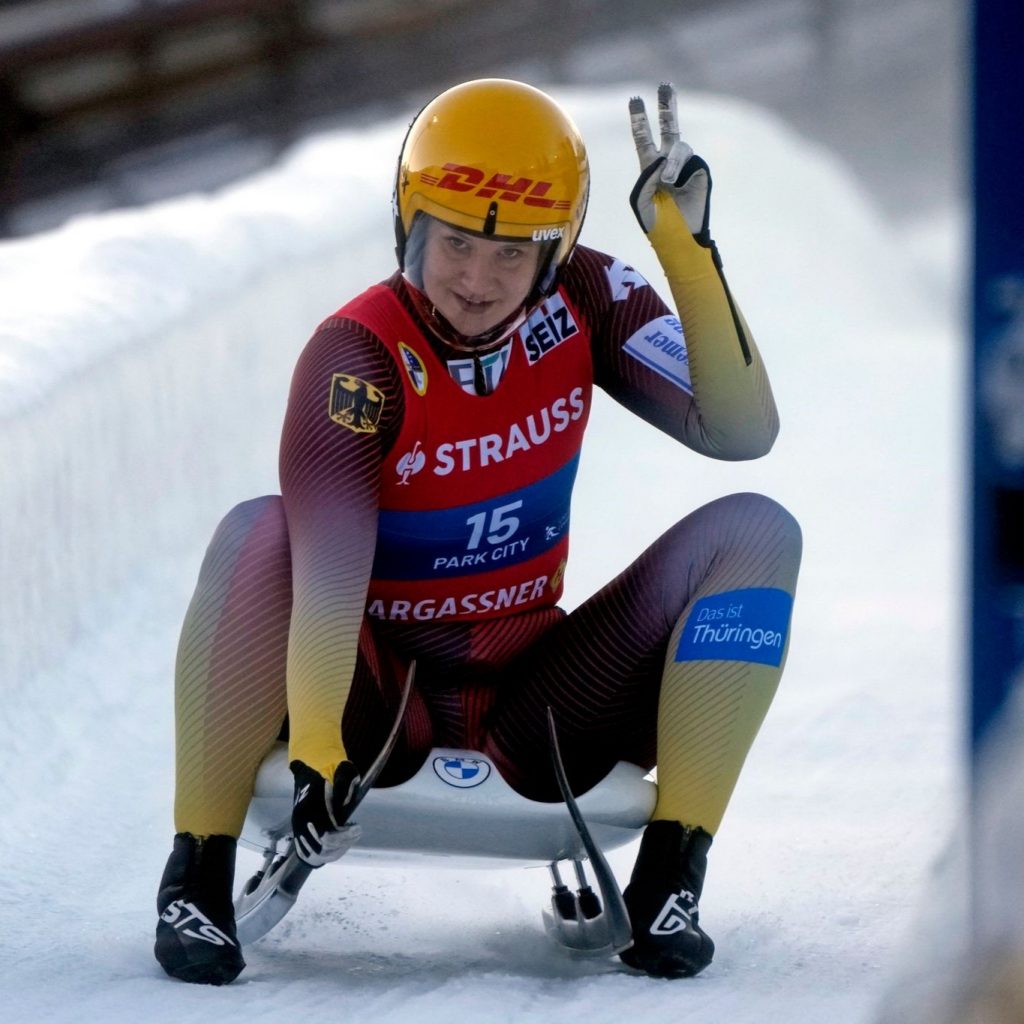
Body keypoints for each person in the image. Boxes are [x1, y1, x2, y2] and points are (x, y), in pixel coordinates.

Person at [154, 78, 802, 985]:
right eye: (455, 243)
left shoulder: (591, 292)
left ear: (558, 250)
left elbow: (742, 435)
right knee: (260, 532)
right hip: (385, 698)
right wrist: (316, 756)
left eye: (512, 256)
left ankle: (671, 881)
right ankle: (195, 871)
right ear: (409, 227)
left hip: (540, 696)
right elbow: (330, 587)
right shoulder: (357, 358)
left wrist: (687, 255)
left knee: (758, 532)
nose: (477, 282)